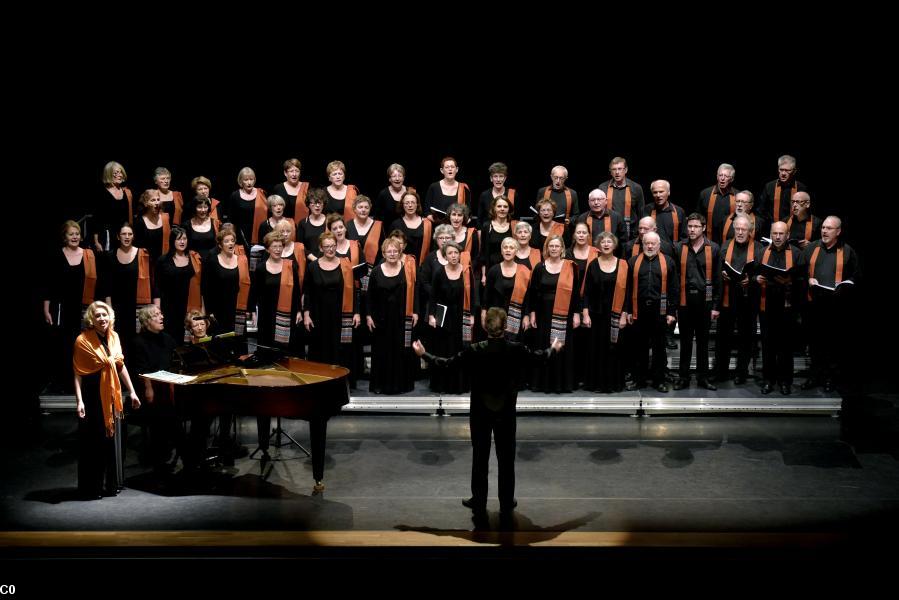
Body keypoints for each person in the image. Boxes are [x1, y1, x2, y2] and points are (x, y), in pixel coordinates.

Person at [413, 308, 563, 515]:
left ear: (485, 327)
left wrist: (424, 354)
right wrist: (554, 348)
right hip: (506, 413)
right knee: (506, 458)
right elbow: (539, 359)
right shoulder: (516, 349)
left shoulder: (475, 350)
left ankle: (479, 500)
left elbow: (447, 364)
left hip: (481, 412)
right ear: (505, 328)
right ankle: (506, 501)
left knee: (480, 457)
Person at [73, 301, 140, 499]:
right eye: (97, 316)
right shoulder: (82, 340)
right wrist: (79, 401)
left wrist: (133, 391)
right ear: (91, 320)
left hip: (111, 395)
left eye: (104, 314)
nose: (102, 318)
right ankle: (91, 488)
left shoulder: (114, 337)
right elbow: (77, 373)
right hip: (92, 396)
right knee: (93, 443)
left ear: (110, 316)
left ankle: (110, 485)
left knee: (111, 442)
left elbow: (120, 366)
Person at [253, 231, 303, 457]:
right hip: (266, 321)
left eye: (280, 245)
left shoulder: (291, 266)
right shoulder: (262, 268)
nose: (277, 249)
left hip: (287, 319)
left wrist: (300, 312)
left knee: (284, 362)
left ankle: (286, 404)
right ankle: (269, 402)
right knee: (267, 365)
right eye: (273, 245)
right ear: (267, 248)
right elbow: (255, 294)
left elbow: (298, 293)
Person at [799, 216, 860, 392]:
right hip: (813, 306)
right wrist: (808, 279)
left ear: (838, 232)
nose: (824, 231)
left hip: (836, 308)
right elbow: (800, 271)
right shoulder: (812, 248)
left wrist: (845, 285)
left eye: (829, 228)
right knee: (814, 344)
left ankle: (829, 379)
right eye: (823, 228)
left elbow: (856, 276)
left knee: (833, 345)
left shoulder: (847, 251)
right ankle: (814, 376)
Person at [44, 220, 101, 392]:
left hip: (83, 307)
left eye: (77, 233)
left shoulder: (88, 255)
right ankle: (64, 383)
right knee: (64, 345)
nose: (75, 237)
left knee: (84, 344)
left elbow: (97, 283)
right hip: (62, 308)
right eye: (71, 234)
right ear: (65, 237)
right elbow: (50, 285)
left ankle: (85, 381)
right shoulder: (57, 255)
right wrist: (46, 309)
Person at [304, 231, 361, 386]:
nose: (330, 249)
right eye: (327, 246)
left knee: (341, 348)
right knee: (320, 348)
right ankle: (320, 382)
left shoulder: (345, 263)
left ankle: (341, 382)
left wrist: (356, 312)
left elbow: (354, 290)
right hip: (319, 314)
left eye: (333, 246)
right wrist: (307, 314)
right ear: (321, 248)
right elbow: (307, 292)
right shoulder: (313, 267)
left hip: (341, 314)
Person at [624, 231, 678, 392]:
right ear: (642, 244)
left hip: (660, 311)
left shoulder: (668, 262)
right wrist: (627, 311)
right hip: (638, 309)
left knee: (659, 348)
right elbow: (626, 289)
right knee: (638, 347)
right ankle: (638, 379)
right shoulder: (633, 262)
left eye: (653, 243)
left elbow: (674, 289)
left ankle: (659, 380)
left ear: (659, 245)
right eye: (646, 243)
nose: (649, 246)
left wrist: (671, 312)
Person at [130, 305, 181, 475]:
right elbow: (140, 370)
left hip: (169, 386)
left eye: (161, 314)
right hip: (150, 388)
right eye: (156, 316)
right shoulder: (139, 342)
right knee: (159, 416)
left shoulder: (167, 339)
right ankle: (159, 457)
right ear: (146, 322)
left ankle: (179, 452)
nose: (161, 317)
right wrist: (148, 388)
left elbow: (176, 362)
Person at [672, 214, 720, 391]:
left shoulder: (713, 248)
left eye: (696, 226)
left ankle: (703, 378)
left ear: (703, 228)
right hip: (684, 302)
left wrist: (715, 306)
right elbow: (674, 277)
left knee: (703, 342)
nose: (691, 229)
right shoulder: (679, 247)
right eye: (689, 226)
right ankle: (683, 377)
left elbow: (717, 279)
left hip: (704, 302)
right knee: (685, 342)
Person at [366, 237, 419, 394]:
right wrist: (368, 316)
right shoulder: (376, 271)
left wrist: (415, 311)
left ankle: (401, 385)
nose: (392, 254)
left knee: (401, 351)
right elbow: (369, 296)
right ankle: (380, 385)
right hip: (381, 319)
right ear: (383, 253)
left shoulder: (407, 269)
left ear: (400, 252)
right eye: (389, 251)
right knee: (381, 351)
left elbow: (415, 292)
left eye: (396, 251)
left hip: (401, 317)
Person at [713, 215, 762, 385]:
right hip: (728, 298)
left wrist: (752, 279)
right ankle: (721, 372)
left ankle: (741, 372)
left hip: (748, 299)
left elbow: (762, 273)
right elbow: (718, 270)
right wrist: (723, 274)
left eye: (744, 229)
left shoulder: (758, 248)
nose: (740, 232)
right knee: (723, 338)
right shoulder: (726, 245)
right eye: (737, 229)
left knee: (746, 338)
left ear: (750, 230)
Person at [528, 235, 580, 392]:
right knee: (545, 346)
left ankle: (561, 384)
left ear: (562, 248)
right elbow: (533, 292)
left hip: (565, 314)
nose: (554, 249)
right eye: (551, 246)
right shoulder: (539, 267)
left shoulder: (570, 267)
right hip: (544, 314)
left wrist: (577, 313)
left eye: (557, 246)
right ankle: (544, 383)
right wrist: (532, 313)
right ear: (547, 248)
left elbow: (576, 293)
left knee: (562, 348)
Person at [426, 241, 479, 393]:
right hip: (443, 314)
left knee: (460, 350)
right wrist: (431, 315)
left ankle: (460, 384)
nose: (454, 256)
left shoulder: (467, 271)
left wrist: (473, 315)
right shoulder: (439, 272)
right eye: (450, 253)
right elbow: (433, 296)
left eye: (456, 252)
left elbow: (473, 296)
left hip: (462, 315)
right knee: (443, 349)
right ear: (445, 256)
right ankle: (442, 384)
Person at [581, 231, 629, 392]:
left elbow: (628, 292)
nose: (606, 244)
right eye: (603, 242)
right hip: (596, 314)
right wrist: (585, 313)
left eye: (609, 242)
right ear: (599, 246)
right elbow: (586, 292)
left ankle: (613, 384)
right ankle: (596, 384)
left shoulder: (623, 264)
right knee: (596, 349)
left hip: (615, 315)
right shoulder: (593, 264)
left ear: (614, 245)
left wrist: (624, 314)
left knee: (614, 349)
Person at [755, 221, 799, 395]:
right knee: (768, 345)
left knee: (786, 346)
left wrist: (791, 281)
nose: (778, 237)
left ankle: (785, 381)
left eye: (781, 234)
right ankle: (768, 380)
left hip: (787, 306)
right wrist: (756, 279)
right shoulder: (762, 252)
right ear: (771, 234)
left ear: (787, 235)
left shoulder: (796, 253)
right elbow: (752, 275)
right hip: (767, 306)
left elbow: (802, 279)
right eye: (775, 234)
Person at [105, 222, 158, 362]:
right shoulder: (110, 256)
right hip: (117, 306)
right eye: (123, 234)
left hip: (137, 306)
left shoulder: (143, 254)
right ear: (118, 236)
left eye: (130, 234)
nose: (127, 237)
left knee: (139, 343)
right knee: (119, 343)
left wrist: (156, 306)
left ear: (133, 236)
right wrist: (109, 308)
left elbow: (153, 282)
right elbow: (107, 285)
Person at [155, 226, 203, 339]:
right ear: (172, 241)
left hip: (188, 306)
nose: (182, 242)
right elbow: (157, 285)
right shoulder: (163, 260)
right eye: (178, 239)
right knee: (169, 337)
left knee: (187, 341)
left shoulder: (194, 258)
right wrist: (157, 309)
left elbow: (201, 284)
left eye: (184, 238)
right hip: (168, 307)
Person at [598, 157, 645, 240]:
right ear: (610, 172)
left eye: (620, 169)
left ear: (626, 170)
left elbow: (641, 212)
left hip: (631, 234)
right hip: (608, 232)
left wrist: (638, 233)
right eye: (614, 169)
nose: (617, 172)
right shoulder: (603, 187)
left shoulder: (636, 188)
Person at [223, 167, 267, 253]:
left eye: (251, 179)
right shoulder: (235, 196)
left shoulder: (262, 193)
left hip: (260, 234)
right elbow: (231, 219)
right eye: (246, 180)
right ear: (240, 181)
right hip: (241, 235)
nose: (249, 182)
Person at [92, 161, 133, 252]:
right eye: (116, 173)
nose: (120, 175)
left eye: (121, 172)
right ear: (109, 174)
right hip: (106, 235)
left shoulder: (126, 192)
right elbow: (96, 219)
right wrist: (96, 241)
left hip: (122, 235)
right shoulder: (102, 193)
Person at [758, 154, 807, 230]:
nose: (783, 173)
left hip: (794, 229)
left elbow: (805, 213)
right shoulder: (769, 187)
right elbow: (761, 211)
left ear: (794, 171)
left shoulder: (801, 188)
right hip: (772, 229)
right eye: (781, 170)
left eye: (787, 170)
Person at [697, 163, 737, 244]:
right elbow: (698, 218)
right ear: (717, 176)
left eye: (726, 176)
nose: (722, 178)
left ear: (732, 179)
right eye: (720, 175)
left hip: (730, 242)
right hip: (708, 241)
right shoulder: (705, 194)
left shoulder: (738, 196)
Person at [423, 156, 471, 223]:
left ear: (457, 169)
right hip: (438, 228)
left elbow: (468, 213)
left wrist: (460, 221)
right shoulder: (433, 187)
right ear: (442, 170)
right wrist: (439, 221)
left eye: (452, 167)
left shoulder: (464, 188)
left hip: (457, 228)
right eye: (447, 167)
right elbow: (426, 212)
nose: (450, 169)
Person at [389, 189, 432, 264]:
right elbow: (390, 247)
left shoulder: (427, 224)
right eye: (407, 203)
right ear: (402, 205)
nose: (410, 205)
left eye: (413, 202)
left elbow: (431, 248)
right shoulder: (395, 224)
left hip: (422, 265)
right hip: (400, 266)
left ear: (417, 204)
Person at [643, 179, 686, 244]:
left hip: (673, 252)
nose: (658, 195)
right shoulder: (646, 210)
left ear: (668, 192)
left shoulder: (678, 211)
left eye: (661, 192)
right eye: (655, 192)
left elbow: (684, 237)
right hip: (651, 250)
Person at [296, 187, 328, 259]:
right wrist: (312, 257)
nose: (317, 205)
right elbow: (300, 245)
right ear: (308, 205)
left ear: (323, 204)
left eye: (319, 202)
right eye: (314, 203)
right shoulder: (303, 223)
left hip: (328, 260)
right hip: (309, 262)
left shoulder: (329, 221)